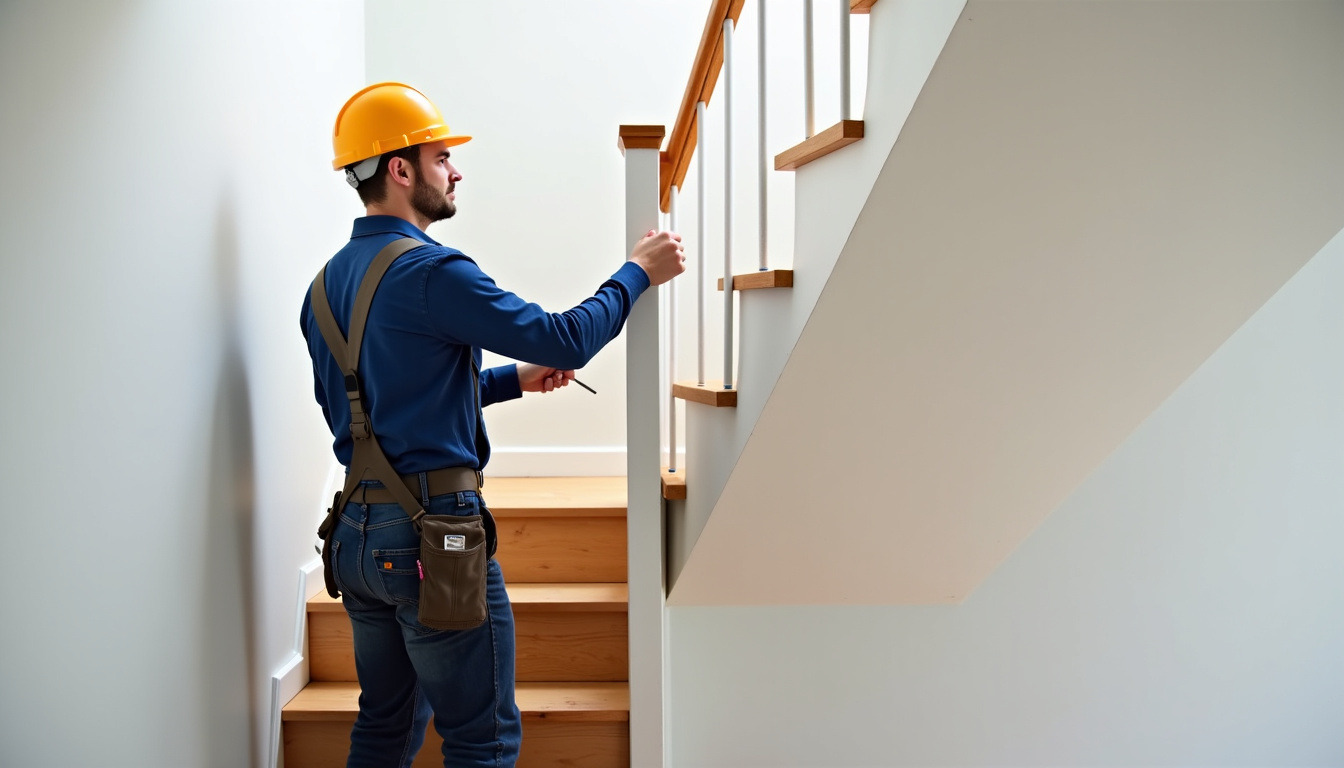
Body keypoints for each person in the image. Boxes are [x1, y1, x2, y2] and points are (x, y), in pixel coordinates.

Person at [300, 82, 684, 768]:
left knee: (383, 728)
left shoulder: (323, 287)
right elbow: (564, 338)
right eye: (443, 155)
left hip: (355, 537)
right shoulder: (433, 271)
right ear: (400, 168)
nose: (456, 171)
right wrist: (636, 273)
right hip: (431, 534)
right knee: (483, 740)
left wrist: (510, 380)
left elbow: (382, 411)